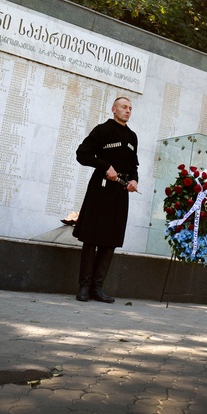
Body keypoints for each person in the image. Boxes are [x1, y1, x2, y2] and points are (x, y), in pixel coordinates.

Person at [72, 96, 139, 304]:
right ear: (113, 109)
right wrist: (105, 166)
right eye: (123, 107)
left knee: (110, 241)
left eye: (130, 108)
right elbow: (82, 154)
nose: (127, 111)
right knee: (92, 239)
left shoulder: (132, 136)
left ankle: (97, 288)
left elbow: (133, 166)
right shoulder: (102, 130)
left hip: (119, 194)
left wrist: (134, 180)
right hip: (99, 191)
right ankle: (84, 287)